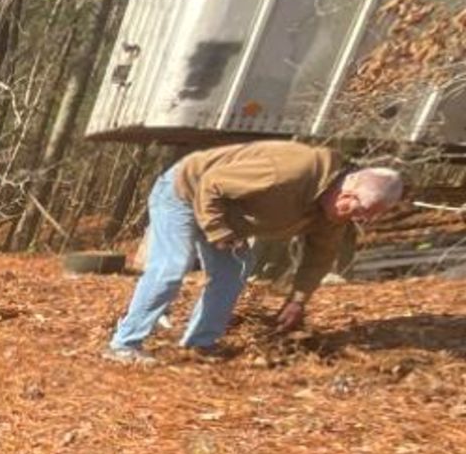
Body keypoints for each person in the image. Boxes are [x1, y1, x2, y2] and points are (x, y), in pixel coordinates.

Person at [106, 142, 404, 364]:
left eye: (367, 217)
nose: (359, 219)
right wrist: (219, 233)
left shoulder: (334, 214)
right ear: (347, 191)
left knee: (233, 271)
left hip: (225, 213)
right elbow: (211, 185)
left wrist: (297, 300)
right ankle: (125, 344)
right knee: (172, 266)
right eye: (360, 211)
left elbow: (319, 257)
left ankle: (200, 344)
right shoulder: (289, 172)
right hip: (184, 192)